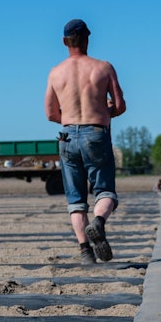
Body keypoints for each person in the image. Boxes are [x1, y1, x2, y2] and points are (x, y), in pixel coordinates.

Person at [45, 18, 126, 264]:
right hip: (96, 133)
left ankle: (85, 252)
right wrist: (104, 111)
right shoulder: (103, 68)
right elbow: (120, 106)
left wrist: (70, 118)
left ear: (64, 42)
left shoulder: (55, 72)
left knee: (76, 200)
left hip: (68, 136)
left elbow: (50, 113)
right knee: (105, 192)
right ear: (88, 38)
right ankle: (99, 222)